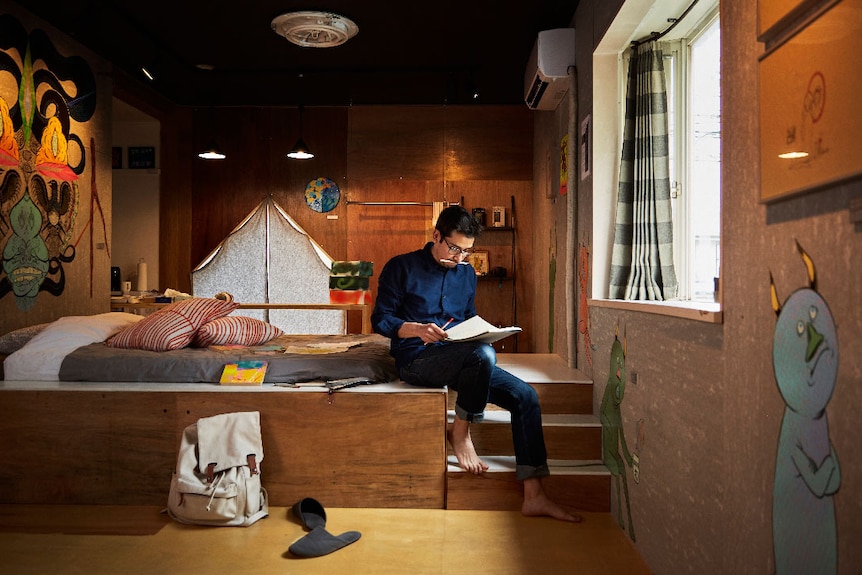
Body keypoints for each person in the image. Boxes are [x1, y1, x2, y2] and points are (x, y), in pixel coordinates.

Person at [371, 205, 581, 522]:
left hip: (461, 357)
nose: (459, 259)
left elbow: (467, 318)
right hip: (416, 358)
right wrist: (415, 329)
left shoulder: (467, 273)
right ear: (436, 235)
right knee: (482, 356)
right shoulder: (401, 267)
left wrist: (483, 332)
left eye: (466, 252)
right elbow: (381, 319)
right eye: (454, 248)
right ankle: (460, 433)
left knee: (526, 397)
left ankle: (535, 495)